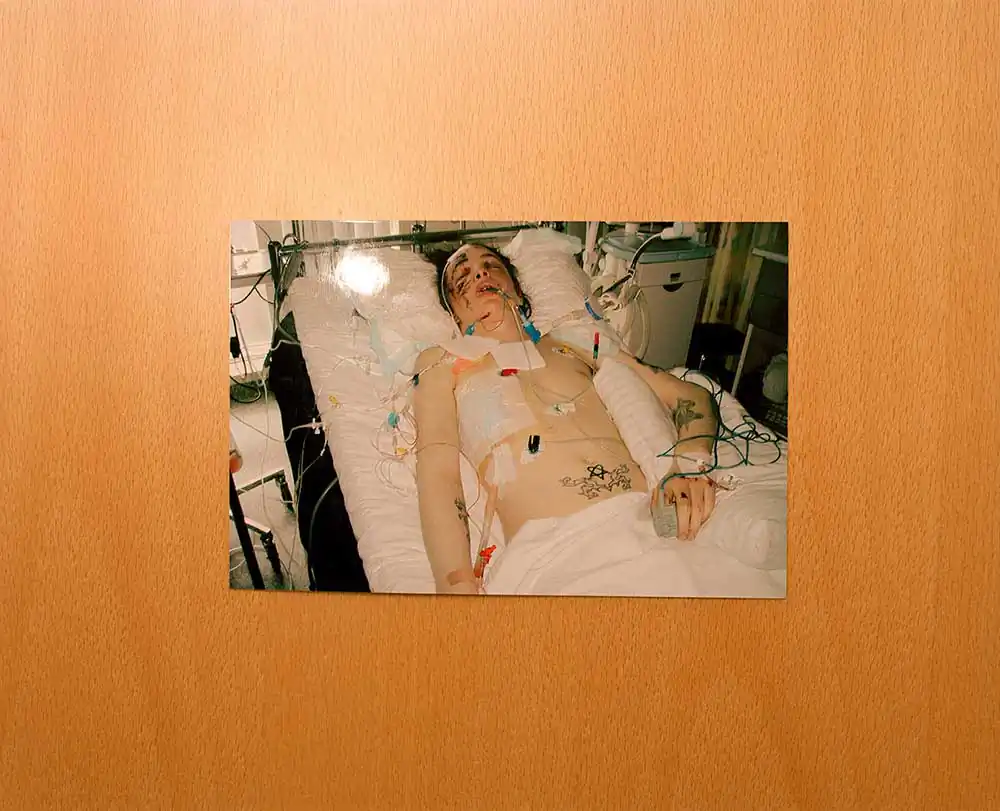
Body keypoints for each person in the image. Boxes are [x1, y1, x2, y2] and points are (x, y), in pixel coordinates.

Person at [412, 243, 721, 595]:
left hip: (651, 522)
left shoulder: (576, 341)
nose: (481, 273)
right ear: (453, 314)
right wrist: (456, 586)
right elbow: (438, 473)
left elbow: (689, 394)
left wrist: (688, 465)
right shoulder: (442, 365)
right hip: (554, 554)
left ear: (517, 290)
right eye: (463, 278)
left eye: (491, 265)